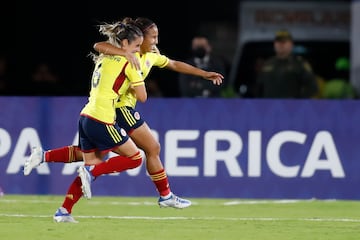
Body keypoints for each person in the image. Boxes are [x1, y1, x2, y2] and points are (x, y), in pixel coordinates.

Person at [24, 17, 223, 222]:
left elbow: (173, 63)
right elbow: (100, 46)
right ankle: (165, 195)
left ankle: (62, 203)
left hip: (94, 112)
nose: (155, 41)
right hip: (118, 109)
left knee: (93, 157)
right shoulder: (127, 58)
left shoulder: (150, 55)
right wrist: (128, 60)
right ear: (139, 39)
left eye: (157, 37)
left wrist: (203, 73)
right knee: (147, 150)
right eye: (152, 37)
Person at [52, 19, 145, 223]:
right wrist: (136, 76)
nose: (138, 50)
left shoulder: (104, 57)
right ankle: (92, 172)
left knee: (91, 164)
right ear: (125, 44)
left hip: (85, 116)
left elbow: (98, 45)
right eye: (136, 45)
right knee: (136, 158)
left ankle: (64, 211)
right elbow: (143, 96)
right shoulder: (130, 63)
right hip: (102, 118)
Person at [256, 30, 318, 98]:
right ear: (274, 44)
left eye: (284, 42)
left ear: (291, 45)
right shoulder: (267, 64)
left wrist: (298, 103)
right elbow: (259, 88)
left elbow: (312, 87)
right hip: (270, 106)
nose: (281, 45)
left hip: (291, 107)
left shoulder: (299, 64)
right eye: (278, 42)